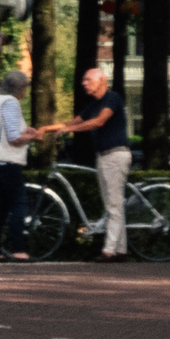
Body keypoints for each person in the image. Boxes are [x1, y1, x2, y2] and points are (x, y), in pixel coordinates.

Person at [44, 67, 130, 261]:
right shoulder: (94, 104)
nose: (84, 83)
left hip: (115, 156)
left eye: (88, 79)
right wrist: (44, 129)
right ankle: (120, 251)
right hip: (104, 157)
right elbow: (71, 123)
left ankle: (109, 251)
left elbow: (99, 122)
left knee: (114, 205)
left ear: (101, 81)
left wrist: (71, 129)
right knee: (112, 204)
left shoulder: (112, 99)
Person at [0, 70, 37, 260]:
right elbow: (14, 137)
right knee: (19, 204)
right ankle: (18, 249)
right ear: (20, 88)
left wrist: (26, 130)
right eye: (25, 88)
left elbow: (2, 128)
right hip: (8, 162)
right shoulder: (11, 103)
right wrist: (32, 136)